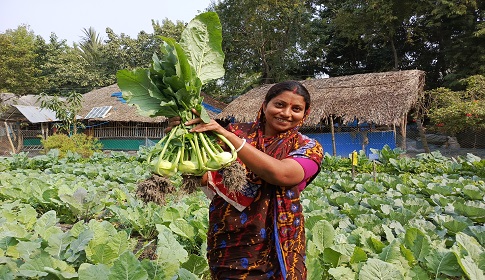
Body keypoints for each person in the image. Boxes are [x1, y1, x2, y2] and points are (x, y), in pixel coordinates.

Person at [168, 80, 323, 279]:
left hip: (279, 243)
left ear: (305, 114)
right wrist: (182, 135)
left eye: (296, 109)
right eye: (280, 104)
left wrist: (228, 136)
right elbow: (206, 177)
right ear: (264, 105)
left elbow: (282, 174)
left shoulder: (308, 147)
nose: (286, 113)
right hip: (228, 236)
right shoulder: (235, 133)